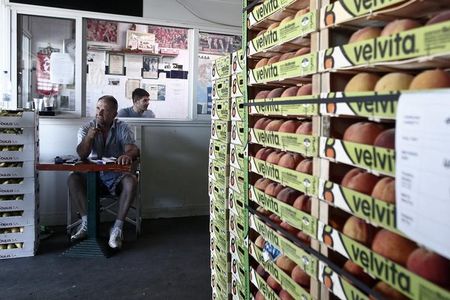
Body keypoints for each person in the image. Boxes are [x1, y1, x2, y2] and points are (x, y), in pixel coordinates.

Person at [67, 95, 139, 249]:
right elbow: (82, 154)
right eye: (98, 109)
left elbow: (133, 149)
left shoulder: (122, 127)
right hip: (92, 179)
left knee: (131, 180)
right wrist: (89, 138)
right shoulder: (86, 128)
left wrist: (127, 155)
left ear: (114, 114)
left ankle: (117, 228)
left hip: (115, 179)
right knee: (73, 178)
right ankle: (87, 223)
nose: (99, 114)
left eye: (105, 111)